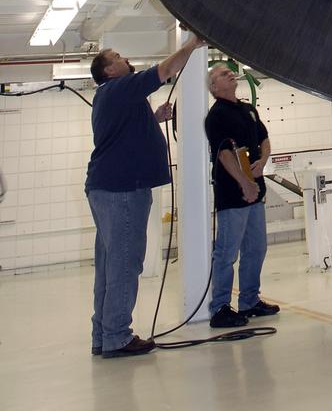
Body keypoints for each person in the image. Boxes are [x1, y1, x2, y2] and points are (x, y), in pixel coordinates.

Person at [85, 32, 206, 359]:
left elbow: (122, 135)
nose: (125, 59)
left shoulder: (111, 97)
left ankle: (103, 334)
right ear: (109, 71)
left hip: (107, 187)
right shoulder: (120, 88)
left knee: (110, 265)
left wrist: (153, 119)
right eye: (118, 57)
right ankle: (117, 337)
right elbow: (163, 71)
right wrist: (191, 44)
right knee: (125, 263)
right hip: (122, 189)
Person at [205, 64, 279, 328]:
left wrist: (263, 161)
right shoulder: (216, 116)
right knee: (227, 253)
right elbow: (224, 154)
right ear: (214, 87)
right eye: (222, 74)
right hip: (232, 194)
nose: (229, 73)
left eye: (229, 71)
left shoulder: (248, 110)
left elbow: (264, 138)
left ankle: (249, 300)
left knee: (256, 249)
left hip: (255, 191)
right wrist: (244, 183)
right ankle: (220, 307)